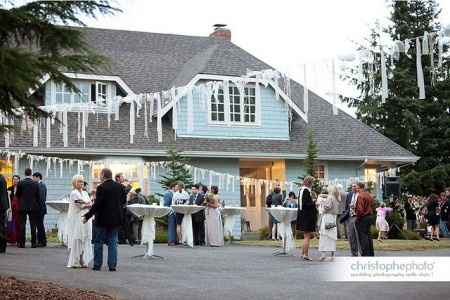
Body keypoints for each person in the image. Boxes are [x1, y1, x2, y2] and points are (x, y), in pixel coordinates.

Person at [83, 168, 126, 271]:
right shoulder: (120, 187)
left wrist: (87, 216)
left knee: (98, 242)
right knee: (113, 243)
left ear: (103, 175)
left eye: (100, 175)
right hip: (115, 220)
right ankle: (112, 266)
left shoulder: (101, 187)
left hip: (102, 219)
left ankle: (97, 265)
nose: (99, 176)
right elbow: (123, 202)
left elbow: (97, 205)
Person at [66, 175, 93, 268]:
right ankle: (76, 260)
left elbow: (89, 203)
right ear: (74, 183)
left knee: (85, 238)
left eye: (82, 181)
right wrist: (88, 204)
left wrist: (87, 204)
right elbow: (81, 205)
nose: (81, 183)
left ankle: (82, 259)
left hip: (86, 218)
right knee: (78, 238)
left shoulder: (85, 193)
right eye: (79, 181)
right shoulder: (74, 193)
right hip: (78, 219)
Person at [16, 168, 41, 248]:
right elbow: (38, 196)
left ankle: (22, 243)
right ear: (31, 174)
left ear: (24, 173)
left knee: (22, 224)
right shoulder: (35, 183)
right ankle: (33, 243)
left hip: (22, 206)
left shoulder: (21, 183)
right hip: (33, 206)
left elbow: (17, 195)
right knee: (33, 225)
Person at [297, 176, 317, 261]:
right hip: (306, 216)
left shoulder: (302, 190)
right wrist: (314, 202)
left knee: (306, 236)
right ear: (309, 183)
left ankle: (302, 253)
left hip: (303, 215)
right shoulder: (305, 191)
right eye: (312, 183)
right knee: (307, 236)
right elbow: (305, 205)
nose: (313, 184)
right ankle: (305, 254)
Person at [317, 185, 340, 261]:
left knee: (324, 235)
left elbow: (327, 207)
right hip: (333, 218)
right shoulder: (336, 197)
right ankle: (332, 254)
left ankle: (323, 254)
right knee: (331, 235)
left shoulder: (330, 197)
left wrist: (322, 204)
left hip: (327, 217)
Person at [340, 183, 359, 256]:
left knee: (358, 235)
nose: (353, 187)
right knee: (351, 236)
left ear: (358, 187)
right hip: (350, 217)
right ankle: (354, 253)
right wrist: (345, 214)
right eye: (352, 186)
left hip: (358, 217)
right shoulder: (349, 194)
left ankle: (361, 252)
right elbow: (346, 206)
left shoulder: (360, 194)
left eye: (355, 186)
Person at [355, 182, 374, 256]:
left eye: (356, 187)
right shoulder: (368, 195)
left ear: (360, 187)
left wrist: (358, 218)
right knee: (368, 236)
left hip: (363, 217)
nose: (356, 188)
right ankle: (370, 253)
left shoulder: (360, 196)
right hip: (369, 216)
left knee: (363, 237)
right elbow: (372, 205)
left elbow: (360, 209)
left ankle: (365, 254)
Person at [32, 172, 47, 247]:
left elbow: (41, 198)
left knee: (40, 226)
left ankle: (42, 241)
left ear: (38, 177)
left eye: (34, 177)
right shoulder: (42, 185)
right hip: (41, 208)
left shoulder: (40, 185)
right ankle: (41, 241)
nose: (33, 179)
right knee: (40, 225)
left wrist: (36, 208)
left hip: (39, 209)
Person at [6, 175, 20, 245]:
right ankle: (11, 240)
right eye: (14, 179)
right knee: (10, 224)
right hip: (11, 209)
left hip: (18, 209)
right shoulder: (9, 188)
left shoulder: (21, 189)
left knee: (18, 224)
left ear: (19, 180)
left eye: (16, 179)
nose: (15, 181)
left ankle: (18, 239)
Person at [0, 174, 9, 254]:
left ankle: (2, 247)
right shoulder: (2, 178)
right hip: (2, 206)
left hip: (1, 207)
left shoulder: (1, 179)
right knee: (2, 226)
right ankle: (2, 247)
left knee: (1, 227)